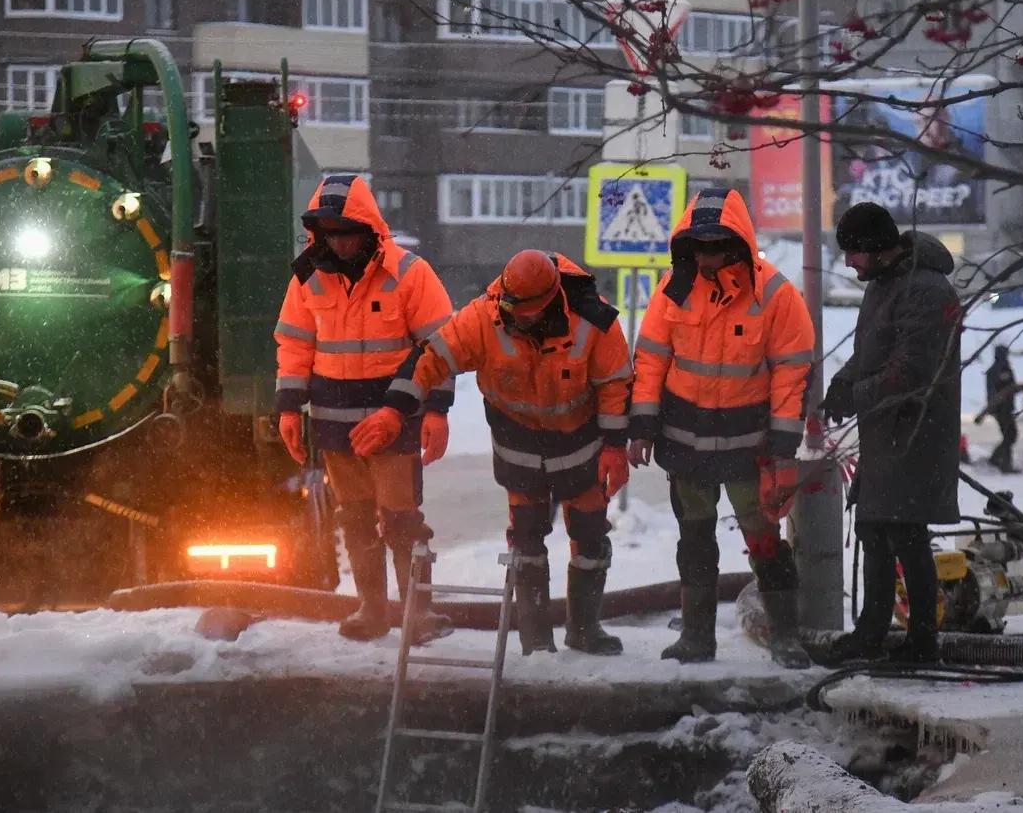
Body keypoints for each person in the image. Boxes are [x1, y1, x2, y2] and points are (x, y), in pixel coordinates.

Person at [349, 250, 632, 656]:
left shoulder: (593, 322)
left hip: (580, 447)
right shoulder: (484, 318)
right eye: (516, 309)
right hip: (517, 445)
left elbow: (616, 385)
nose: (522, 319)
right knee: (526, 541)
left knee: (589, 536)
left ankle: (585, 629)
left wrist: (615, 447)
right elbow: (429, 360)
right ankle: (535, 642)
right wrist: (395, 410)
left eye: (531, 312)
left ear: (552, 299)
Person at [628, 187, 815, 668]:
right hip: (685, 444)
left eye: (715, 245)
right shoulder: (674, 289)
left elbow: (793, 374)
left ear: (738, 243)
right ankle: (697, 637)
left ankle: (785, 636)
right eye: (698, 245)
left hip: (748, 447)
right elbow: (650, 359)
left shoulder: (775, 295)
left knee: (765, 540)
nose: (706, 255)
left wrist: (782, 449)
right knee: (694, 539)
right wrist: (643, 425)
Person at [274, 174, 455, 644]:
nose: (340, 241)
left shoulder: (411, 274)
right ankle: (372, 608)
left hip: (394, 422)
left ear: (370, 228)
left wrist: (436, 410)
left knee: (402, 519)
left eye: (348, 231)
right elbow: (294, 345)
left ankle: (419, 613)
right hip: (334, 425)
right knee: (354, 517)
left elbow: (441, 347)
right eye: (330, 232)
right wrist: (289, 408)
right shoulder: (308, 277)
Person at [820, 202, 961, 666]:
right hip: (887, 429)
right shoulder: (884, 284)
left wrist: (855, 394)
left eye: (853, 253)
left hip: (916, 429)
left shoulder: (925, 289)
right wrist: (843, 384)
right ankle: (872, 632)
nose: (848, 263)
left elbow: (911, 371)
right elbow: (872, 352)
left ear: (877, 248)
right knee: (874, 528)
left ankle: (922, 641)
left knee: (904, 532)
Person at [975, 345, 1021, 474]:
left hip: (999, 408)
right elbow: (1007, 388)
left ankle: (997, 459)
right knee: (1010, 435)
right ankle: (1004, 464)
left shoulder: (993, 370)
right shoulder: (1003, 370)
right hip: (1003, 408)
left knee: (1009, 435)